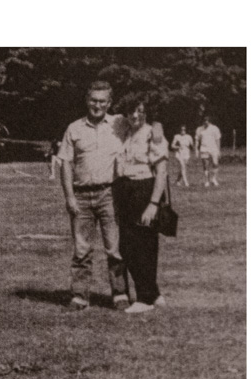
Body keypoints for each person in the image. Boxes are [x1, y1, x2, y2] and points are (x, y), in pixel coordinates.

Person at [57, 81, 129, 311]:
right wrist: (69, 197)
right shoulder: (74, 128)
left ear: (109, 103)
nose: (97, 105)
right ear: (87, 101)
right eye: (93, 100)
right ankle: (79, 296)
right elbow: (65, 164)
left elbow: (145, 125)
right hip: (81, 196)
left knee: (115, 249)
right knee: (81, 249)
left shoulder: (120, 124)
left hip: (110, 194)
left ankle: (120, 294)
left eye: (102, 101)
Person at [113, 100, 168, 313]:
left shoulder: (153, 134)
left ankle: (144, 299)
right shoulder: (125, 131)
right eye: (132, 111)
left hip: (145, 190)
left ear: (147, 114)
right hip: (126, 190)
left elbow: (162, 171)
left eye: (141, 111)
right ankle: (154, 294)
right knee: (127, 246)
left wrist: (153, 204)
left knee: (143, 245)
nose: (135, 115)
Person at [195, 115, 222, 187]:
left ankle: (214, 179)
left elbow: (218, 140)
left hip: (213, 148)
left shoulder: (215, 128)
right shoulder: (199, 129)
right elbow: (197, 140)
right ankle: (207, 181)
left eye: (207, 121)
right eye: (204, 121)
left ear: (209, 121)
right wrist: (196, 150)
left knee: (215, 164)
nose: (206, 122)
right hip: (204, 148)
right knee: (205, 165)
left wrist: (218, 150)